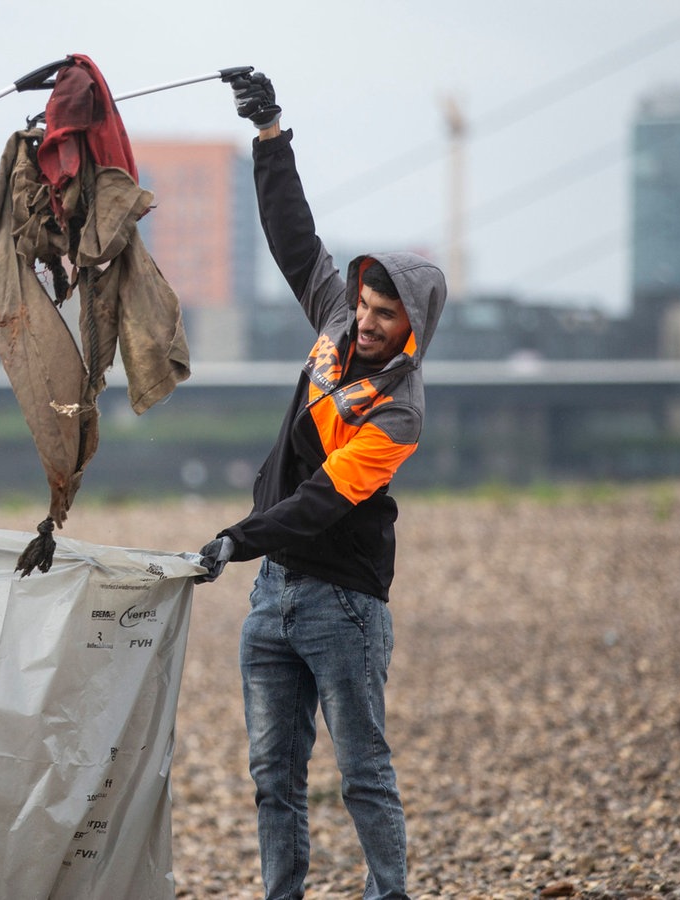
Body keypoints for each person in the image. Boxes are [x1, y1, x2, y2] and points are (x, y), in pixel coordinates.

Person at [195, 72, 447, 900]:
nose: (367, 322)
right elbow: (294, 240)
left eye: (385, 315)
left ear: (413, 328)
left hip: (344, 603)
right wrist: (270, 132)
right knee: (274, 776)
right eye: (365, 306)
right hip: (274, 594)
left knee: (362, 773)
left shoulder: (401, 412)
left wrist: (237, 537)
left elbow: (323, 501)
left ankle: (389, 893)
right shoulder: (335, 320)